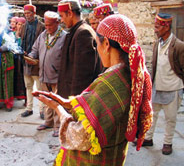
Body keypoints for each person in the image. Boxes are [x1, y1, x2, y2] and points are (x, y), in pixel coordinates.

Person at [33, 14, 153, 165]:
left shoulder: (111, 84)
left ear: (107, 44)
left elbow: (79, 136)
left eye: (97, 45)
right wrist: (66, 102)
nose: (97, 50)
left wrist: (57, 109)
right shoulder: (129, 74)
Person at [142, 13, 184, 155]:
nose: (155, 30)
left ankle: (167, 143)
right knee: (152, 115)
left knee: (171, 119)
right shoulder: (157, 44)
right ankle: (148, 139)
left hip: (173, 88)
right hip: (157, 87)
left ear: (166, 27)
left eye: (157, 27)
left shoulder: (180, 46)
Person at [26, 11, 67, 137]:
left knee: (56, 101)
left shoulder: (64, 36)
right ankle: (48, 122)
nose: (47, 27)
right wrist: (31, 57)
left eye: (50, 25)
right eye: (46, 25)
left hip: (57, 75)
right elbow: (35, 50)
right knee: (46, 100)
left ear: (58, 23)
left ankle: (58, 125)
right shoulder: (43, 35)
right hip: (43, 74)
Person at [57, 0, 101, 98]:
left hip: (76, 99)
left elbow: (82, 76)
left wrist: (75, 102)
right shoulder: (76, 31)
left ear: (70, 13)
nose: (62, 20)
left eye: (62, 16)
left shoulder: (83, 33)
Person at [20, 4, 45, 117]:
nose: (27, 16)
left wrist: (37, 57)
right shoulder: (24, 26)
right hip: (26, 60)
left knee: (39, 87)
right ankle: (29, 108)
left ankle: (42, 110)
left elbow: (44, 44)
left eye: (29, 13)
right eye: (25, 14)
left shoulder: (41, 26)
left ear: (34, 13)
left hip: (37, 61)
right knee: (28, 85)